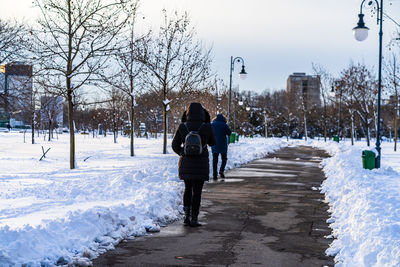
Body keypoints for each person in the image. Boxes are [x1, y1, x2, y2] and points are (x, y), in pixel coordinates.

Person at [172, 103, 216, 227]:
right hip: (201, 164)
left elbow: (174, 145)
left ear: (187, 113)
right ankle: (194, 218)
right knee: (197, 192)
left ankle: (186, 216)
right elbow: (213, 143)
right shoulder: (207, 126)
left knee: (187, 189)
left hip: (186, 163)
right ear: (202, 113)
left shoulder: (182, 126)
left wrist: (183, 153)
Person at [211, 114, 232, 181]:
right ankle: (221, 170)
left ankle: (214, 175)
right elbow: (229, 133)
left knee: (215, 160)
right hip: (223, 144)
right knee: (224, 158)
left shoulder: (212, 124)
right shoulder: (224, 125)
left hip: (214, 144)